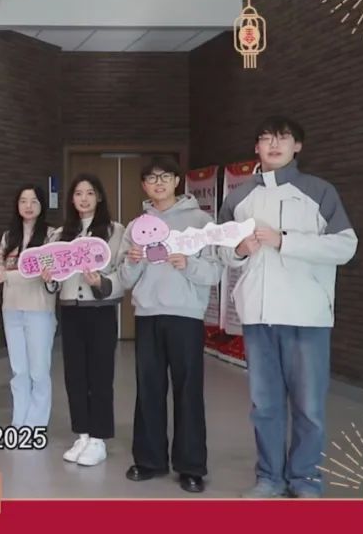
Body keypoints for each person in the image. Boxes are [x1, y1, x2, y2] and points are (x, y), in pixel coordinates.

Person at [221, 117, 357, 499]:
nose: (274, 145)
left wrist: (286, 240)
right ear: (256, 147)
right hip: (258, 315)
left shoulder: (319, 191)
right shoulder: (238, 198)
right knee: (264, 405)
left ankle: (305, 479)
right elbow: (221, 251)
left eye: (283, 138)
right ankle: (269, 477)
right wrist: (238, 249)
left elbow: (345, 246)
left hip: (306, 316)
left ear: (297, 146)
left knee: (308, 406)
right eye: (266, 138)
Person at [119, 156, 221, 493]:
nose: (158, 183)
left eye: (165, 176)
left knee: (188, 390)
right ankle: (149, 460)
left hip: (186, 315)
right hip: (147, 315)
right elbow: (125, 278)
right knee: (148, 389)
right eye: (151, 178)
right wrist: (133, 261)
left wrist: (187, 264)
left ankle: (191, 466)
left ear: (178, 180)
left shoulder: (201, 221)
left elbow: (214, 273)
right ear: (144, 185)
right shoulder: (137, 226)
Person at [49, 174, 125, 467]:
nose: (84, 199)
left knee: (100, 375)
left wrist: (100, 282)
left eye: (90, 193)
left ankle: (99, 438)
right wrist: (49, 278)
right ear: (71, 199)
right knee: (75, 375)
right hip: (71, 311)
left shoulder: (115, 231)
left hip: (100, 310)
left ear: (99, 197)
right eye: (78, 193)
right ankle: (82, 433)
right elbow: (54, 278)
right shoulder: (61, 234)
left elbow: (122, 271)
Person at [0, 185, 60, 428]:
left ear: (42, 205)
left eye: (34, 201)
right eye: (23, 201)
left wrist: (6, 275)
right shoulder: (9, 236)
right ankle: (19, 424)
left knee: (38, 371)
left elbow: (36, 274)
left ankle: (35, 426)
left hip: (39, 310)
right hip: (11, 309)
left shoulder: (52, 236)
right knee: (19, 371)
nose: (28, 206)